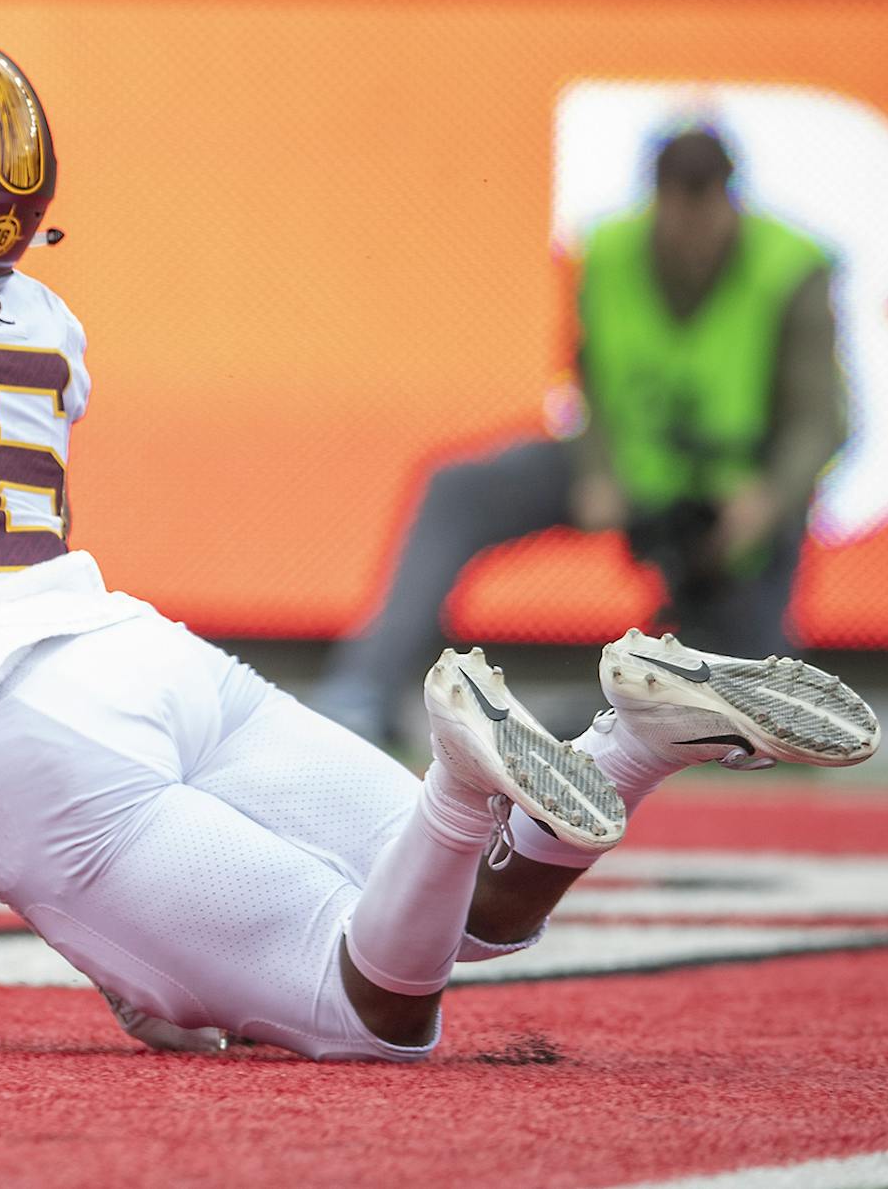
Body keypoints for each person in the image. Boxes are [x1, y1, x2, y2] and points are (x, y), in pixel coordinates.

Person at [0, 25, 880, 1060]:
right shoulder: (44, 326)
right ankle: (636, 733)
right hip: (133, 651)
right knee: (475, 913)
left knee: (377, 1011)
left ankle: (462, 765)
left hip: (7, 725)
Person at [309, 123, 847, 746]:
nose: (692, 235)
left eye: (706, 215)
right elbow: (590, 373)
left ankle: (571, 730)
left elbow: (820, 417)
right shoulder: (611, 252)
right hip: (630, 469)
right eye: (679, 213)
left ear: (731, 203)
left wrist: (770, 498)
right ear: (659, 200)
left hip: (732, 508)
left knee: (746, 713)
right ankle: (363, 690)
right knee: (458, 490)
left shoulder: (788, 268)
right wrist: (598, 469)